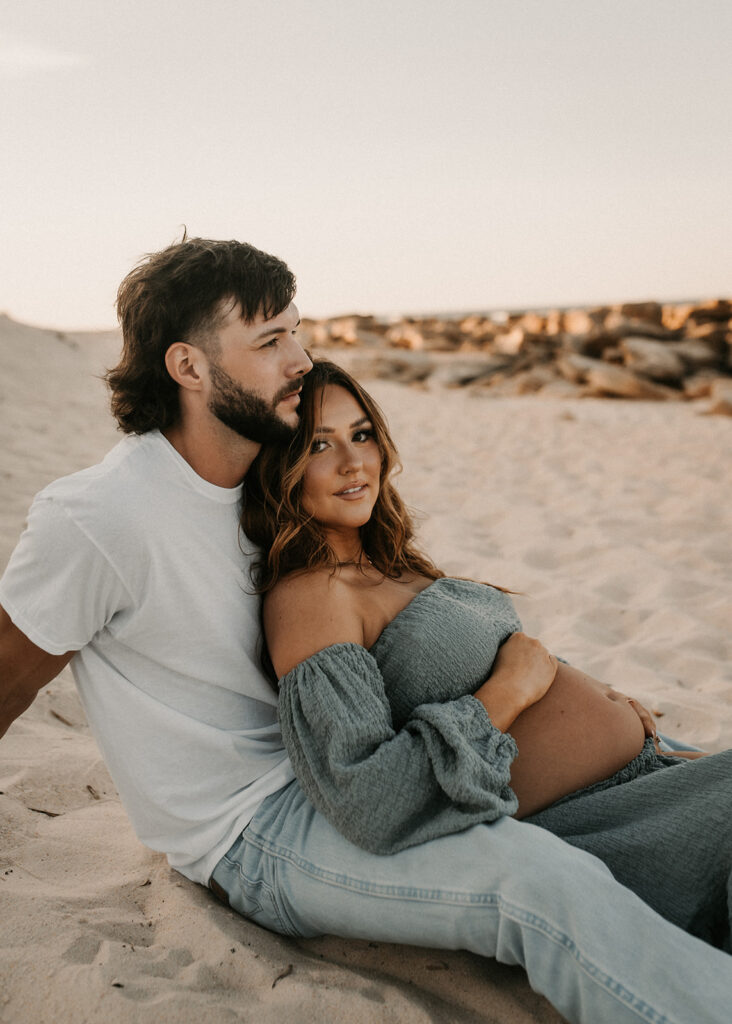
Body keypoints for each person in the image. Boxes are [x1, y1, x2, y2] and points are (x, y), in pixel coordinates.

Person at [0, 237, 729, 1024]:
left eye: (297, 331)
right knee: (542, 888)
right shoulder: (101, 516)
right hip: (257, 825)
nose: (301, 358)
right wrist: (513, 691)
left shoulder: (265, 483)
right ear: (188, 368)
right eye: (271, 341)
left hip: (347, 770)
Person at [243, 358, 732, 947]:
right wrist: (513, 690)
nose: (354, 463)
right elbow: (367, 798)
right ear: (282, 463)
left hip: (650, 779)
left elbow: (497, 664)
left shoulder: (390, 563)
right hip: (606, 825)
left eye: (362, 434)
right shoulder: (311, 595)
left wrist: (601, 702)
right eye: (320, 444)